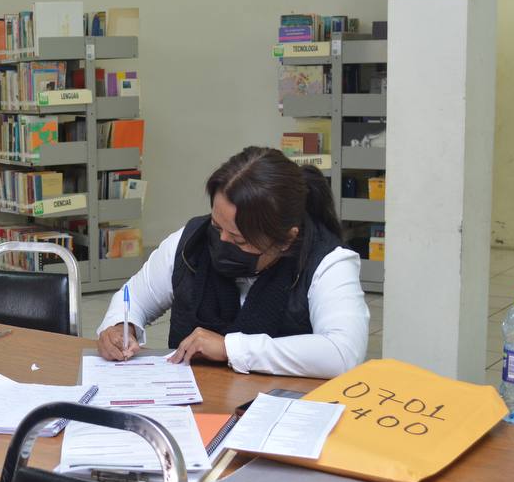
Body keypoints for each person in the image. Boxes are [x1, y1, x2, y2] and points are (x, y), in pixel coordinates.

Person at [97, 146, 368, 377]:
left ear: (285, 240)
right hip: (196, 407)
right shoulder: (191, 244)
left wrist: (230, 348)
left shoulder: (327, 262)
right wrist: (122, 326)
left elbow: (342, 353)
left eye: (239, 239)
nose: (222, 240)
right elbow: (134, 297)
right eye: (217, 226)